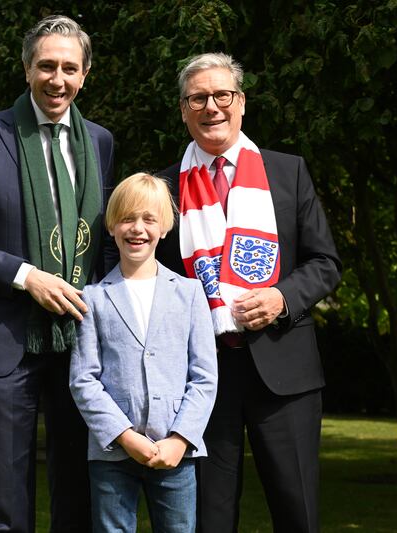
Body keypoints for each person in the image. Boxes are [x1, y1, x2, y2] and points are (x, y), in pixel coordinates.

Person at [0, 15, 114, 533]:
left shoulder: (101, 142)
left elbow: (101, 241)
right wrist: (26, 276)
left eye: (69, 68)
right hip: (6, 340)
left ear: (85, 75)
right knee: (6, 501)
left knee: (79, 491)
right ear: (26, 68)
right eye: (46, 66)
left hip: (80, 340)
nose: (57, 79)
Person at [155, 53, 342, 533]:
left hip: (285, 372)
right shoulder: (163, 188)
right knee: (208, 518)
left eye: (223, 95)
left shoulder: (288, 171)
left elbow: (325, 263)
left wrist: (282, 297)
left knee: (296, 511)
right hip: (201, 377)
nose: (211, 106)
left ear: (241, 103)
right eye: (198, 97)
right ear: (183, 109)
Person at [69, 173, 218, 533]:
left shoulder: (190, 293)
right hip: (112, 453)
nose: (138, 229)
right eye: (127, 218)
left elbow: (204, 377)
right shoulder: (93, 298)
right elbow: (83, 379)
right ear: (111, 226)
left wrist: (181, 439)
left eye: (149, 219)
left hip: (175, 453)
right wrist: (125, 436)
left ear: (164, 227)